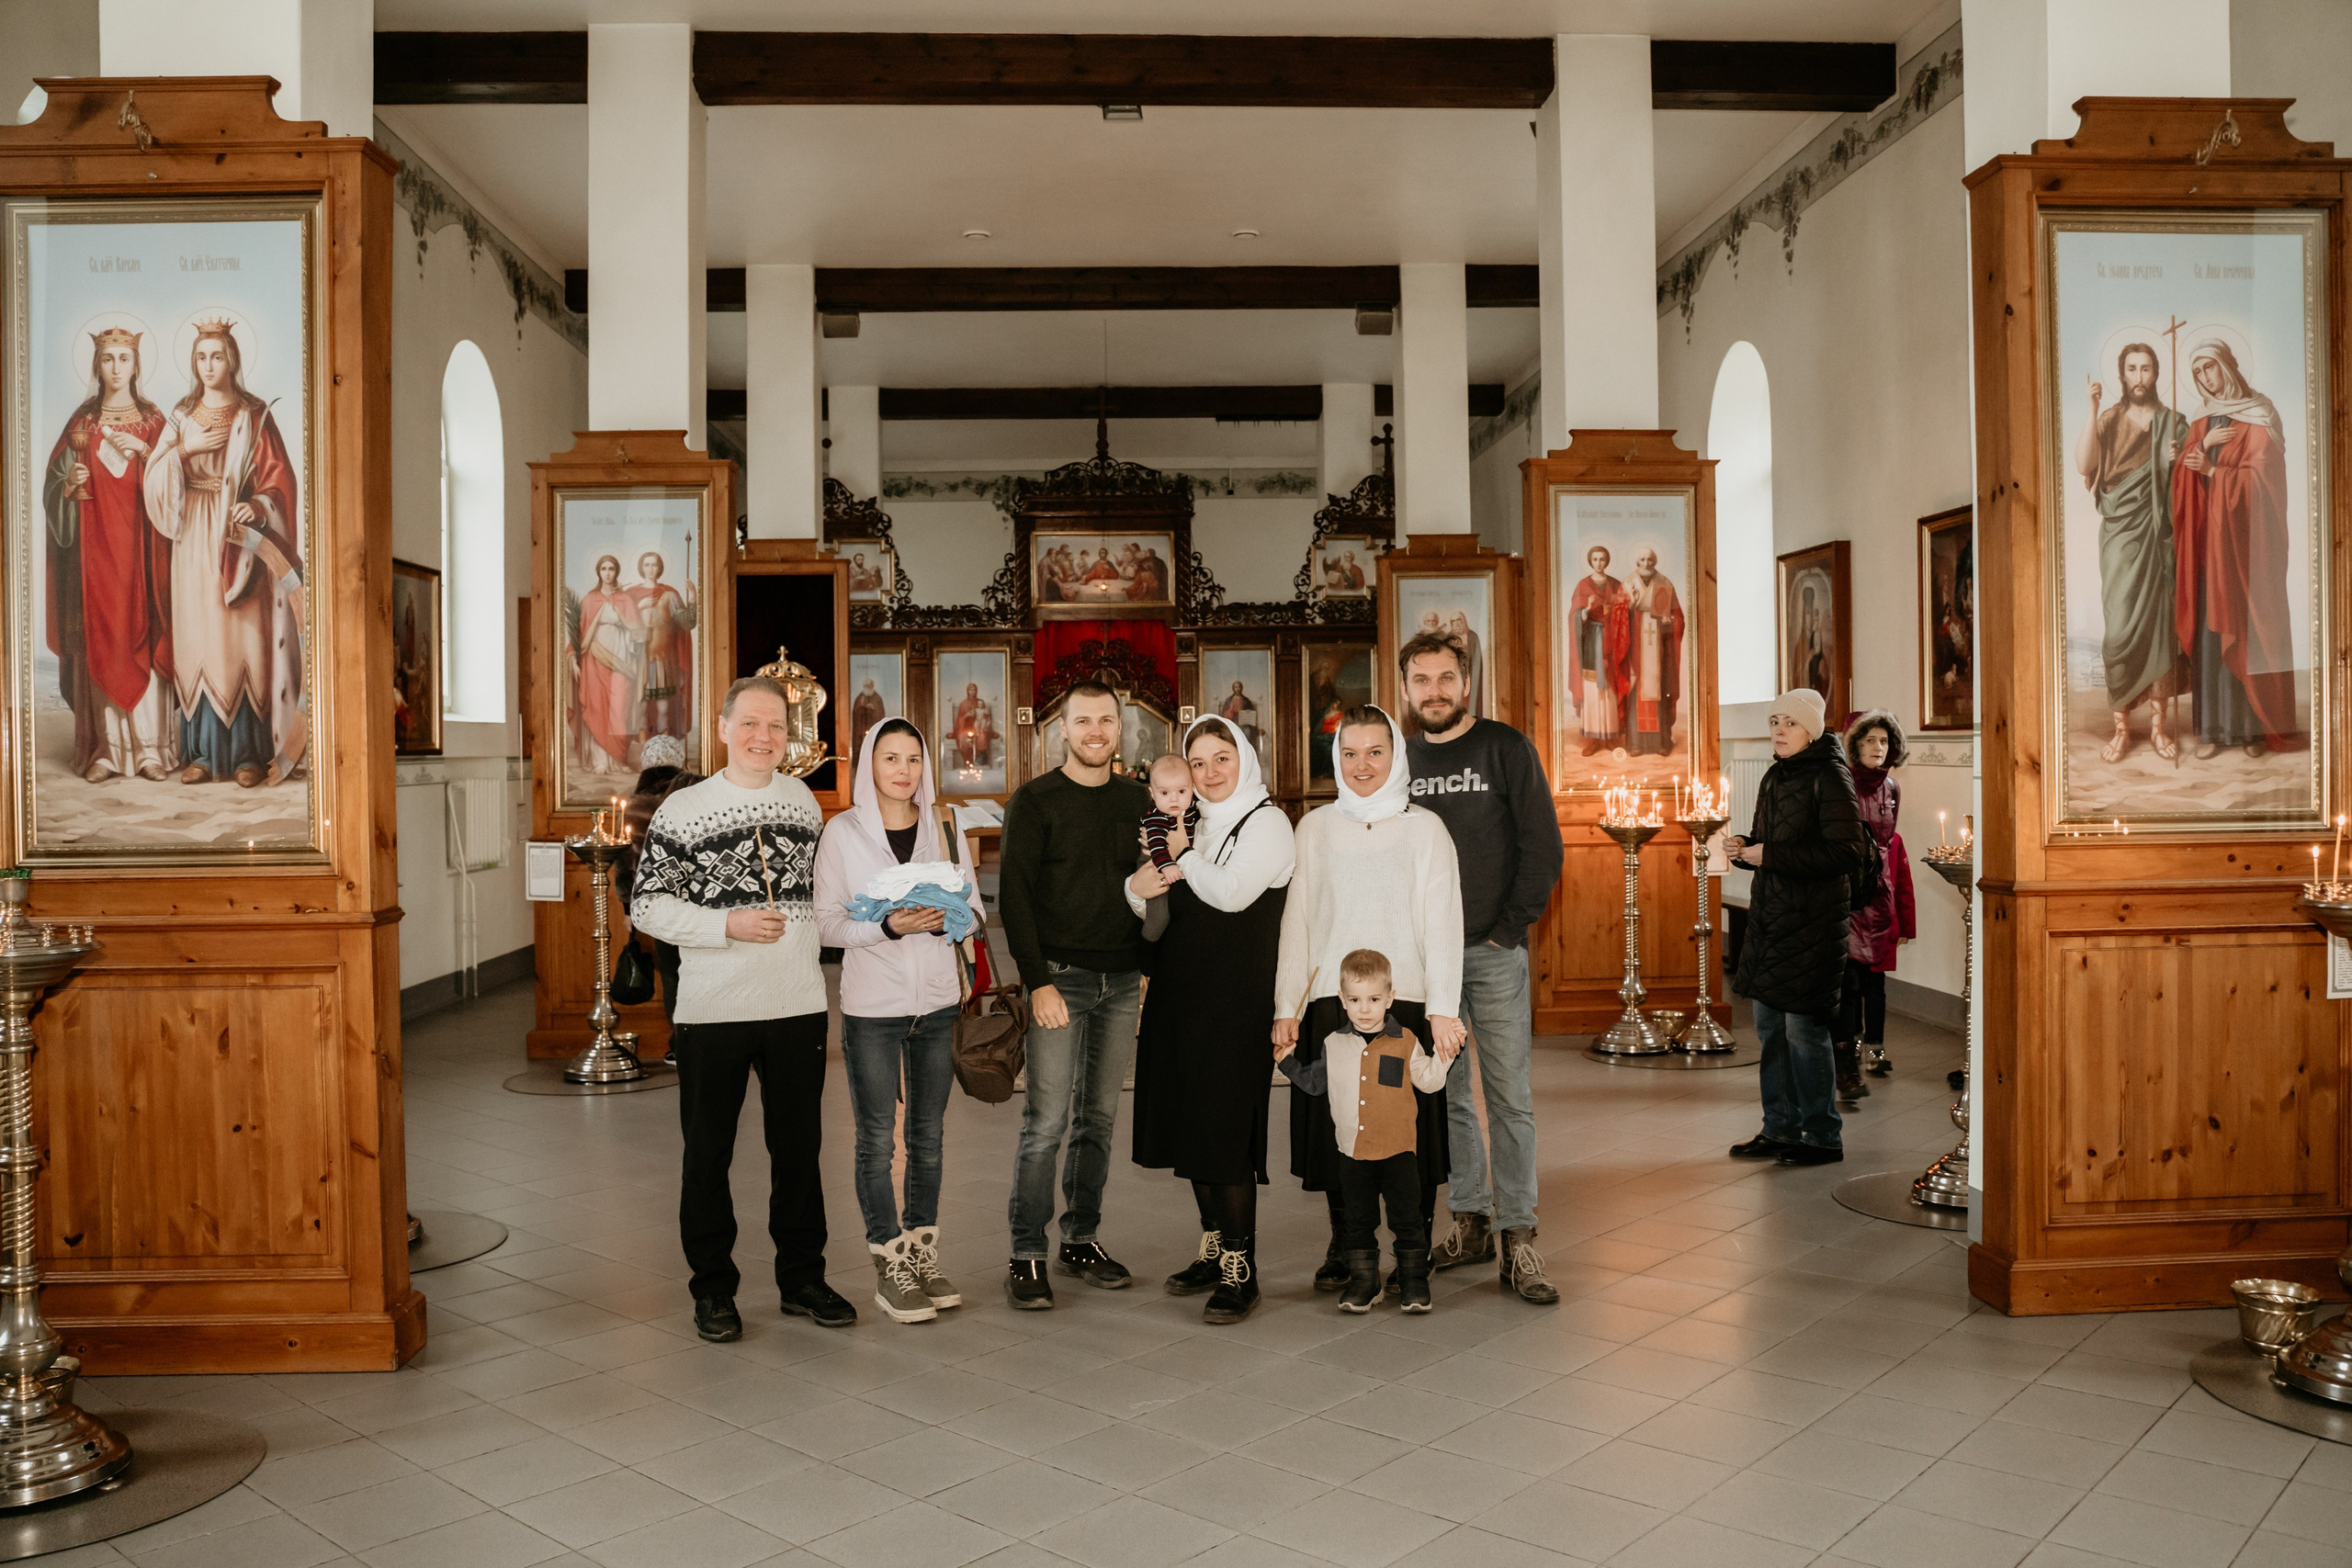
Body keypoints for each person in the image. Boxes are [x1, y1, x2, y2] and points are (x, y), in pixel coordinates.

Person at [630, 675, 848, 1339]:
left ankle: (803, 1277)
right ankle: (713, 1289)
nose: (764, 736)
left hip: (796, 1004)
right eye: (750, 723)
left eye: (777, 726)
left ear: (791, 735)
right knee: (707, 1155)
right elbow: (647, 904)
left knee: (799, 1151)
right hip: (714, 1008)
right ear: (722, 727)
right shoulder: (684, 810)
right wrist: (726, 925)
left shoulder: (805, 805)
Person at [1275, 705, 1464, 1295]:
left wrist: (1444, 1009)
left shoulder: (1426, 829)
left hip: (1405, 1003)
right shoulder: (1315, 829)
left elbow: (1443, 923)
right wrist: (1287, 1008)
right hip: (1335, 1004)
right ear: (1336, 758)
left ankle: (1414, 1243)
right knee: (1341, 1127)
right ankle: (1346, 1242)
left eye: (1375, 752)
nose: (1362, 765)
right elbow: (1298, 926)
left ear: (1396, 755)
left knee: (1412, 1132)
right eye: (1350, 753)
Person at [1400, 632, 1564, 1304]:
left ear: (1465, 684)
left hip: (1491, 953)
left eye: (1446, 678)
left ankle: (1518, 1236)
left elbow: (1542, 845)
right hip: (1422, 960)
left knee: (1508, 1099)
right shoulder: (1398, 758)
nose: (1434, 690)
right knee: (1446, 1094)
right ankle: (1468, 1220)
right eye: (1421, 680)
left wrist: (1505, 932)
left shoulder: (1506, 747)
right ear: (1407, 687)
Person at [816, 718, 985, 1325]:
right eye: (891, 757)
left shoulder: (945, 824)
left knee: (928, 1139)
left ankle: (922, 1253)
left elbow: (975, 907)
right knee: (874, 1142)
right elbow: (828, 924)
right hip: (873, 1011)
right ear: (870, 764)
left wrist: (947, 917)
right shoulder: (844, 831)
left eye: (913, 757)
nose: (904, 769)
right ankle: (889, 1264)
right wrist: (888, 926)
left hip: (938, 1003)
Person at [1126, 716, 1295, 1323]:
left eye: (1221, 757)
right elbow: (1154, 894)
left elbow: (1230, 894)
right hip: (1181, 994)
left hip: (1236, 1001)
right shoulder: (1189, 822)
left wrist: (1182, 854)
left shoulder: (1267, 822)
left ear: (1243, 758)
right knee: (1189, 1123)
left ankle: (1240, 1269)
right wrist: (1137, 882)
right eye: (1198, 763)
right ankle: (1214, 1244)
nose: (1210, 772)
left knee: (1225, 1131)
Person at [999, 680, 1150, 1308]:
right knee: (1047, 1122)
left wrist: (1146, 970)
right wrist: (1037, 981)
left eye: (1106, 721)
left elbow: (1154, 887)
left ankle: (1081, 1236)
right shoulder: (1034, 802)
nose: (1095, 731)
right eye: (1083, 720)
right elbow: (1015, 897)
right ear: (1062, 728)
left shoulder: (1141, 799)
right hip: (1059, 977)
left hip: (1122, 982)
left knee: (1100, 1118)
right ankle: (1026, 1251)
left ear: (1121, 728)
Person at [142, 318, 302, 788]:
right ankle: (201, 756)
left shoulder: (254, 415)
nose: (208, 365)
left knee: (241, 641)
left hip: (238, 544)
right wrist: (183, 451)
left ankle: (249, 757)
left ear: (232, 359)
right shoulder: (181, 416)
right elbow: (154, 475)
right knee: (198, 639)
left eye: (216, 356)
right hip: (191, 535)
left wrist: (257, 506)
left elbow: (280, 480)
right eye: (200, 357)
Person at [1724, 688, 1869, 1167]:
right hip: (1773, 920)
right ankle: (1780, 1128)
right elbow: (1773, 842)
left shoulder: (1831, 777)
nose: (1779, 731)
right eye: (1774, 722)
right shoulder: (1775, 775)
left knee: (1804, 1032)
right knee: (1770, 1029)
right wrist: (1746, 847)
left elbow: (1847, 853)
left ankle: (1823, 1135)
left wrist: (1772, 855)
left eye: (1790, 723)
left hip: (1813, 923)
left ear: (1814, 729)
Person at [1276, 949, 1455, 1313]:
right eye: (1355, 1000)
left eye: (1374, 999)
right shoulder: (1333, 1044)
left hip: (1399, 1152)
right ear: (1342, 1000)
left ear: (1390, 998)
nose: (1364, 1008)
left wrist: (1446, 1053)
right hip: (1353, 1154)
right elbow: (1314, 1084)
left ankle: (1413, 1282)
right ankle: (1364, 1282)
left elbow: (1430, 1082)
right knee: (1358, 1221)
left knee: (1407, 1220)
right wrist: (1286, 1062)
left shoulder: (1406, 1041)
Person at [44, 325, 175, 784]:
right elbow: (54, 487)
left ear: (137, 365)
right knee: (102, 635)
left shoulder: (155, 421)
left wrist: (145, 453)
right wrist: (69, 484)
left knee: (144, 632)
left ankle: (149, 752)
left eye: (124, 358)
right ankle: (106, 750)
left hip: (142, 554)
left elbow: (176, 481)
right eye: (107, 359)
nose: (116, 368)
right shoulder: (81, 423)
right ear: (97, 366)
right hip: (96, 559)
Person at [2170, 338, 2301, 758]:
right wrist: (2199, 452)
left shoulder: (2260, 414)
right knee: (2214, 631)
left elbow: (2265, 486)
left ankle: (2251, 732)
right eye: (2198, 373)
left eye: (2210, 368)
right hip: (2211, 547)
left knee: (2249, 632)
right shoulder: (2200, 423)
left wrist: (2214, 471)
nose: (2206, 379)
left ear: (2228, 366)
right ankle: (2213, 732)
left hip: (2247, 552)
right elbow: (2183, 480)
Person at [2076, 344, 2189, 762]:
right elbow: (2084, 464)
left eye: (2146, 369)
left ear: (2155, 373)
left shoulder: (2173, 422)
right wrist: (2091, 409)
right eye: (2131, 369)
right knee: (2120, 628)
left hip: (2161, 533)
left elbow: (2191, 485)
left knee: (2160, 628)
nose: (2139, 377)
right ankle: (2122, 729)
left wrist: (2176, 464)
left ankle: (2158, 729)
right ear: (2121, 376)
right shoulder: (2108, 420)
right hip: (2121, 530)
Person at [1837, 711, 1916, 1094]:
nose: (1877, 748)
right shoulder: (1844, 784)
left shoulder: (1894, 789)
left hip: (1880, 895)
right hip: (1852, 891)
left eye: (1884, 742)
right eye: (1869, 741)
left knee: (1877, 981)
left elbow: (1891, 845)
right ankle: (1848, 1045)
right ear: (1855, 746)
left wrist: (1901, 915)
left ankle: (1876, 1047)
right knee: (1850, 980)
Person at [617, 733, 702, 1034]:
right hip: (704, 898)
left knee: (672, 975)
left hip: (659, 903)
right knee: (708, 972)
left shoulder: (634, 804)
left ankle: (680, 1046)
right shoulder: (698, 788)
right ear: (679, 760)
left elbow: (626, 863)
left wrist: (628, 909)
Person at [573, 554, 642, 773]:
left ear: (617, 572)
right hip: (594, 659)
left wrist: (625, 620)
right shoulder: (589, 600)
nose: (607, 573)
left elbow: (639, 633)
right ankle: (601, 761)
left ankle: (618, 760)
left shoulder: (625, 600)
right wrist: (571, 659)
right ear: (598, 572)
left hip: (622, 660)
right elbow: (578, 634)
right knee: (597, 708)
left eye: (611, 569)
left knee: (619, 709)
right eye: (604, 568)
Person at [627, 551, 695, 745]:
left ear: (660, 568)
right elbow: (622, 626)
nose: (651, 569)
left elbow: (687, 622)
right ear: (641, 568)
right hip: (639, 658)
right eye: (647, 565)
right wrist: (637, 607)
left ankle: (664, 739)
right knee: (640, 702)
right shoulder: (632, 596)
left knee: (663, 704)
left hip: (664, 657)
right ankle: (642, 740)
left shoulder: (670, 595)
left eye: (654, 565)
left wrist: (693, 597)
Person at [1567, 545, 1628, 757]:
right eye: (1595, 559)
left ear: (1607, 561)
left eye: (1602, 559)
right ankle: (1593, 739)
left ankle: (1610, 737)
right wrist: (1585, 610)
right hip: (1592, 643)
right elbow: (1574, 617)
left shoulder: (1616, 584)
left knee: (1610, 690)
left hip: (1611, 643)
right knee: (1593, 690)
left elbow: (1625, 613)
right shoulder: (1583, 586)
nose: (1599, 563)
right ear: (1590, 561)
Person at [1623, 550, 1685, 756]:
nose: (1646, 563)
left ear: (1655, 561)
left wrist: (1669, 623)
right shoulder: (1629, 583)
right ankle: (1635, 743)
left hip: (1659, 651)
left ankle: (1662, 743)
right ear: (1637, 561)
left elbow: (1678, 618)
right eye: (1642, 559)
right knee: (1636, 692)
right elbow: (1618, 617)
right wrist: (1630, 606)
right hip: (1635, 650)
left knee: (1660, 691)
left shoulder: (1664, 583)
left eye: (1650, 559)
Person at [1139, 753, 1199, 880]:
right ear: (1153, 794)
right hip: (1157, 861)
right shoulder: (1156, 817)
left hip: (1180, 860)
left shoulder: (1191, 807)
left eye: (1181, 791)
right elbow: (1157, 843)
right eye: (1165, 793)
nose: (1174, 799)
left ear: (1192, 789)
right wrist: (1167, 865)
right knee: (1159, 895)